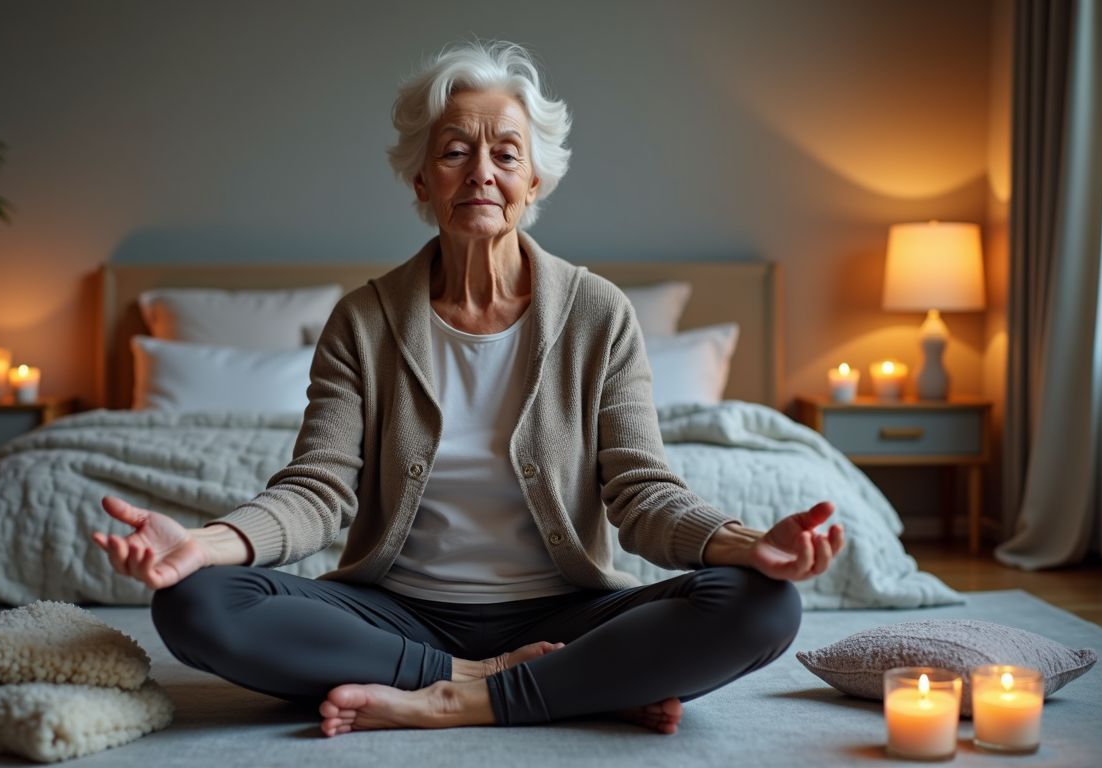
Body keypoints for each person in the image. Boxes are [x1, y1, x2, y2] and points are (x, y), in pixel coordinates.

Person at [92, 40, 845, 737]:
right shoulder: (364, 320)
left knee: (762, 604)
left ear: (534, 179)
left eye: (505, 153)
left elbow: (644, 495)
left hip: (568, 609)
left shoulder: (598, 314)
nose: (482, 171)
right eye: (455, 151)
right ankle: (509, 682)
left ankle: (461, 701)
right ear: (422, 179)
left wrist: (749, 544)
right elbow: (316, 492)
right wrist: (204, 542)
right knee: (196, 600)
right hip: (396, 617)